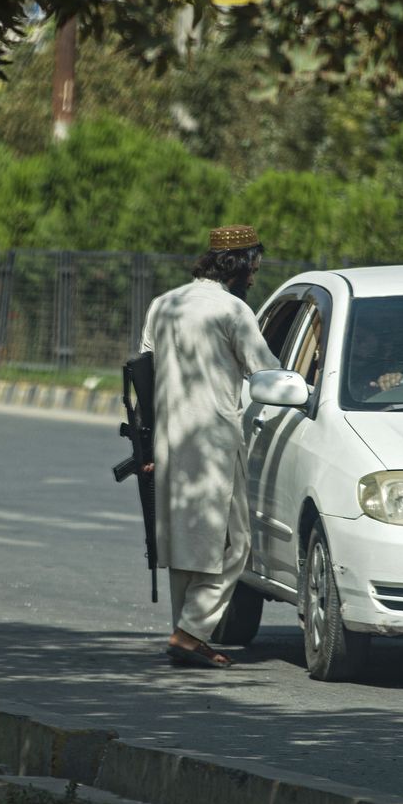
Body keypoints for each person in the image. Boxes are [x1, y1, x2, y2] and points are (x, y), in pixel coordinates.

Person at [140, 224, 279, 669]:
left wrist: (145, 447)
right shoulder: (232, 311)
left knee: (184, 543)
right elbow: (266, 371)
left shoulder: (163, 305)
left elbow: (141, 375)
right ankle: (191, 631)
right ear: (238, 263)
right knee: (235, 542)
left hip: (167, 437)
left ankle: (188, 631)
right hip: (215, 439)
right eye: (254, 263)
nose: (256, 274)